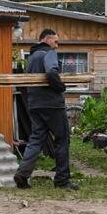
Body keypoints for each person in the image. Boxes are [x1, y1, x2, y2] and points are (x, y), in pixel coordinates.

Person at [13, 29, 79, 190]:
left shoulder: (32, 57)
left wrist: (30, 99)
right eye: (55, 42)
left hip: (35, 104)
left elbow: (24, 83)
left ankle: (22, 174)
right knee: (62, 139)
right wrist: (60, 88)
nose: (57, 46)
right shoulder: (48, 53)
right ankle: (62, 180)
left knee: (36, 139)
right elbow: (51, 73)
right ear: (46, 40)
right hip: (52, 104)